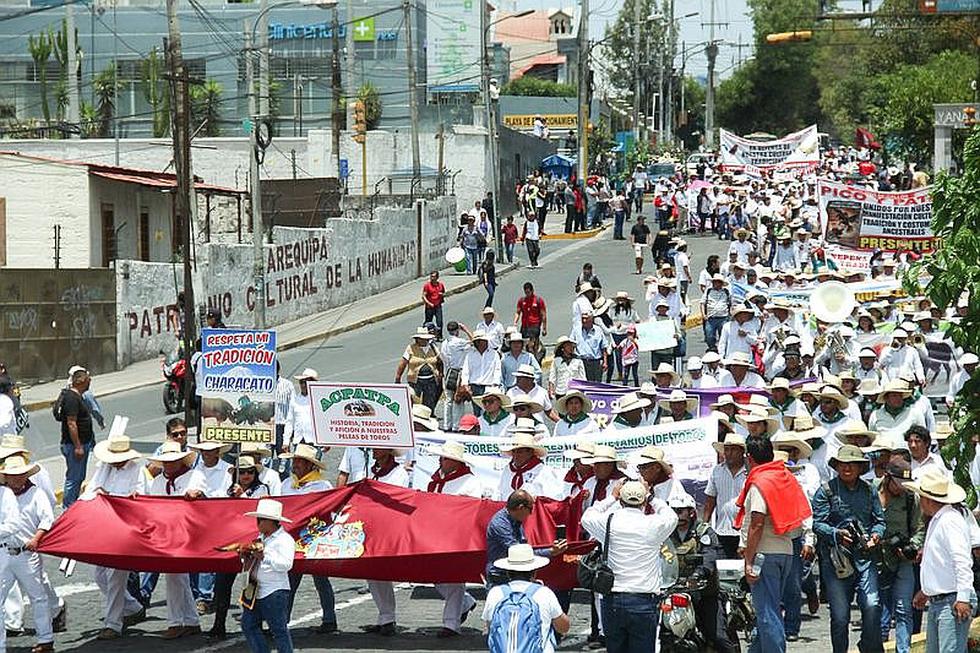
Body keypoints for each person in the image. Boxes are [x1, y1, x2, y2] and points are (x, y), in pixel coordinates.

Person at [581, 479, 677, 653]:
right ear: (643, 502)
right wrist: (651, 497)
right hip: (643, 601)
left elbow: (587, 516)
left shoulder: (609, 522)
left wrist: (611, 497)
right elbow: (671, 516)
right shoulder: (653, 524)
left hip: (613, 600)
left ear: (621, 500)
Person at [736, 434, 812, 653]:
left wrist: (748, 561)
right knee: (769, 611)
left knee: (768, 614)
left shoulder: (761, 482)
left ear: (749, 458)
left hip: (764, 554)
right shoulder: (785, 477)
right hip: (785, 551)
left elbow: (757, 523)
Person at [811, 445, 886, 653]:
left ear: (860, 467)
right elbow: (816, 523)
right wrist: (836, 533)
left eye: (852, 464)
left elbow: (880, 521)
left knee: (872, 606)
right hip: (836, 561)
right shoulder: (826, 491)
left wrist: (876, 535)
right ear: (836, 466)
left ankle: (868, 646)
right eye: (843, 464)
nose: (847, 468)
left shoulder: (869, 490)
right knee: (840, 616)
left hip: (865, 557)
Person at [908, 469, 977, 653]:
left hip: (952, 599)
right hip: (943, 599)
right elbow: (941, 563)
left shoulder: (949, 521)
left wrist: (963, 597)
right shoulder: (940, 519)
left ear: (927, 499)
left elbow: (962, 561)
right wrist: (927, 591)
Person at [147, 441, 207, 638]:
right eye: (166, 461)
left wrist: (197, 494)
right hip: (166, 533)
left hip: (189, 532)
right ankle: (191, 621)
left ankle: (175, 622)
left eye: (173, 460)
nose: (169, 464)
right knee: (177, 576)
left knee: (175, 575)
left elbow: (204, 500)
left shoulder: (195, 476)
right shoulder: (157, 482)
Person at [667, 492, 739, 652]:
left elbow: (709, 556)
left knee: (717, 636)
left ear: (691, 512)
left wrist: (698, 574)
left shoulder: (703, 532)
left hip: (703, 593)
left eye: (680, 511)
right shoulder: (664, 532)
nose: (677, 515)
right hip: (672, 591)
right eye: (673, 511)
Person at [280, 444, 337, 634]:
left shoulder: (322, 486)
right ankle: (282, 621)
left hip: (315, 539)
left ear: (310, 465)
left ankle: (329, 619)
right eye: (294, 461)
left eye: (299, 461)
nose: (295, 464)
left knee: (321, 580)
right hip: (291, 541)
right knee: (290, 582)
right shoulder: (286, 484)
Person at [483, 544, 570, 653]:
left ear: (508, 572)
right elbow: (564, 627)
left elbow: (491, 627)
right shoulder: (544, 593)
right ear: (534, 572)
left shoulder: (495, 593)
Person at [876, 460, 924, 653]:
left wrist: (912, 547)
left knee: (904, 609)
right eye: (897, 484)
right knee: (876, 609)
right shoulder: (871, 491)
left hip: (901, 559)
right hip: (875, 557)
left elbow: (919, 528)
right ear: (887, 478)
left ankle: (903, 650)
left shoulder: (911, 497)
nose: (901, 488)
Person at [365, 448, 411, 635]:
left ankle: (463, 601)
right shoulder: (372, 471)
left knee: (414, 569)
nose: (374, 450)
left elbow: (396, 498)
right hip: (374, 527)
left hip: (391, 527)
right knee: (373, 572)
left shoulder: (399, 474)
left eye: (378, 447)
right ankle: (386, 617)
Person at [240, 499, 296, 653]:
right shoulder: (261, 538)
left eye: (260, 519)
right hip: (254, 589)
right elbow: (252, 562)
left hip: (274, 590)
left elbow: (286, 565)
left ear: (271, 521)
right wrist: (246, 557)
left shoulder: (284, 540)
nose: (257, 523)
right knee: (248, 625)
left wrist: (264, 557)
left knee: (278, 630)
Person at [484, 490, 568, 588]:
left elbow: (523, 549)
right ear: (521, 508)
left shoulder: (515, 520)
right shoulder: (500, 524)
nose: (531, 513)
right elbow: (520, 553)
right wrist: (551, 551)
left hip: (514, 575)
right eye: (530, 509)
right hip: (499, 578)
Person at [704, 432, 748, 558]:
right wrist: (705, 524)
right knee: (722, 566)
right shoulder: (717, 471)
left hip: (744, 532)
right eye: (726, 449)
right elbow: (710, 499)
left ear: (741, 451)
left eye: (733, 449)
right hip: (721, 531)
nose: (729, 453)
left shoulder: (750, 472)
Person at [59, 367, 95, 508]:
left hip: (82, 443)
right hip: (74, 445)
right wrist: (78, 446)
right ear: (81, 381)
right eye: (88, 380)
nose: (90, 382)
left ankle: (73, 504)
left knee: (79, 477)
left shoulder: (78, 396)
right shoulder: (72, 398)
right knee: (73, 478)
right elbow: (71, 423)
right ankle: (68, 507)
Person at [496, 431, 563, 500]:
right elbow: (499, 492)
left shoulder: (544, 471)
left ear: (530, 452)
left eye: (519, 452)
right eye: (513, 451)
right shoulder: (507, 470)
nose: (515, 455)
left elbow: (553, 498)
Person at [395, 328, 443, 412]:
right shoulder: (411, 348)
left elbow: (440, 361)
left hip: (431, 380)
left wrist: (440, 374)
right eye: (422, 339)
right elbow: (403, 363)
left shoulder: (433, 348)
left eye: (426, 339)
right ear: (417, 339)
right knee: (414, 401)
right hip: (415, 381)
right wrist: (398, 377)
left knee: (429, 402)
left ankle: (428, 416)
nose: (425, 341)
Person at [514, 282, 548, 361]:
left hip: (534, 326)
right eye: (526, 292)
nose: (527, 294)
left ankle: (534, 360)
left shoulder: (538, 300)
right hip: (524, 326)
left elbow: (543, 314)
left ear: (532, 291)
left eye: (528, 292)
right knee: (524, 345)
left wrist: (544, 328)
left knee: (531, 345)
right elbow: (518, 312)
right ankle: (530, 359)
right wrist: (515, 322)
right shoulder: (522, 301)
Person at [572, 312, 607, 383]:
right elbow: (571, 345)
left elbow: (604, 347)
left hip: (595, 363)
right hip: (581, 361)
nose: (584, 321)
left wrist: (605, 362)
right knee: (581, 383)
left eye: (586, 319)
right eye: (582, 318)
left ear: (591, 319)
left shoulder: (598, 330)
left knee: (595, 384)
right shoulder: (576, 330)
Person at [421, 271, 446, 338]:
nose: (432, 278)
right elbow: (423, 296)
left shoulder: (440, 285)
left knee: (439, 321)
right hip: (429, 307)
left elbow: (444, 293)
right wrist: (429, 303)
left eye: (433, 277)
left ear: (437, 277)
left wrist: (442, 294)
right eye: (431, 276)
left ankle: (439, 336)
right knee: (428, 322)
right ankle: (426, 335)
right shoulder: (427, 285)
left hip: (438, 306)